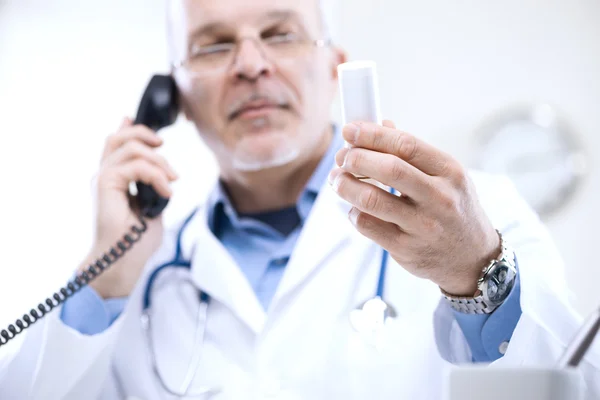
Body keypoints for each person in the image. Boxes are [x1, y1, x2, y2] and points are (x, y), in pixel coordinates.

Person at [1, 0, 599, 398]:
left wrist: (476, 272)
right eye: (212, 46)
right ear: (172, 94)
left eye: (281, 34)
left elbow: (574, 380)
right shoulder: (132, 271)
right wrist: (104, 276)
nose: (251, 65)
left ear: (335, 66)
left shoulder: (478, 214)